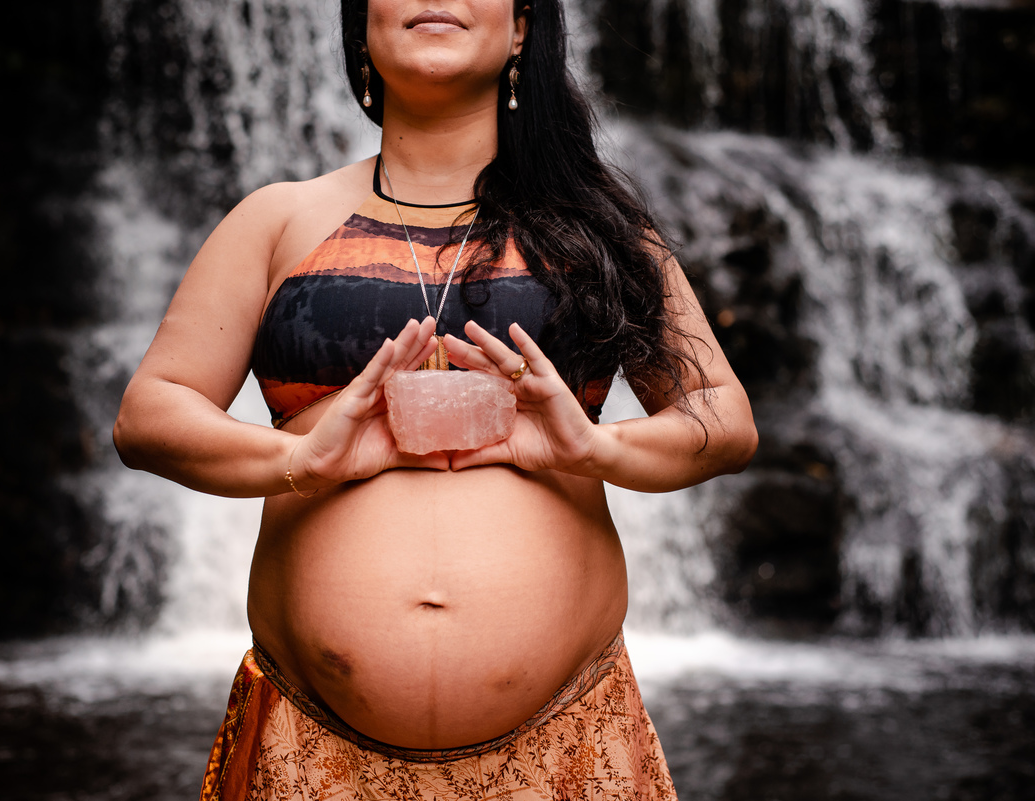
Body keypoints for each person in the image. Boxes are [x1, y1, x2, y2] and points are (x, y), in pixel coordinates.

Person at [113, 0, 757, 797]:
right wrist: (301, 459)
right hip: (310, 755)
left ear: (522, 28)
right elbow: (147, 416)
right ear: (362, 25)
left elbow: (725, 420)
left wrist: (596, 449)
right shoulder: (277, 220)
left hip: (566, 750)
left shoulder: (599, 230)